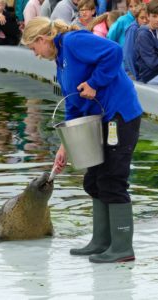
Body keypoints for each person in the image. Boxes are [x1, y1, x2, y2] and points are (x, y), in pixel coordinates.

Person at [21, 16, 143, 263]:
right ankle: (101, 241)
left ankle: (122, 248)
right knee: (94, 180)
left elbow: (114, 51)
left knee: (112, 179)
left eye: (34, 48)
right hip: (98, 121)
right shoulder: (59, 60)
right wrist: (65, 145)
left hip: (119, 115)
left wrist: (95, 83)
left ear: (42, 39)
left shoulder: (74, 41)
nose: (35, 54)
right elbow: (72, 105)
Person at [135, 0, 158, 84]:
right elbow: (153, 63)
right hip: (150, 75)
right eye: (154, 16)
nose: (157, 19)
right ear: (148, 16)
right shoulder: (143, 35)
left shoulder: (156, 30)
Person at [123, 3, 148, 79]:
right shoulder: (133, 29)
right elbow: (129, 55)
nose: (145, 21)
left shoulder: (147, 29)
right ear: (137, 18)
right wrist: (136, 76)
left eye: (147, 18)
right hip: (132, 72)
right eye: (142, 18)